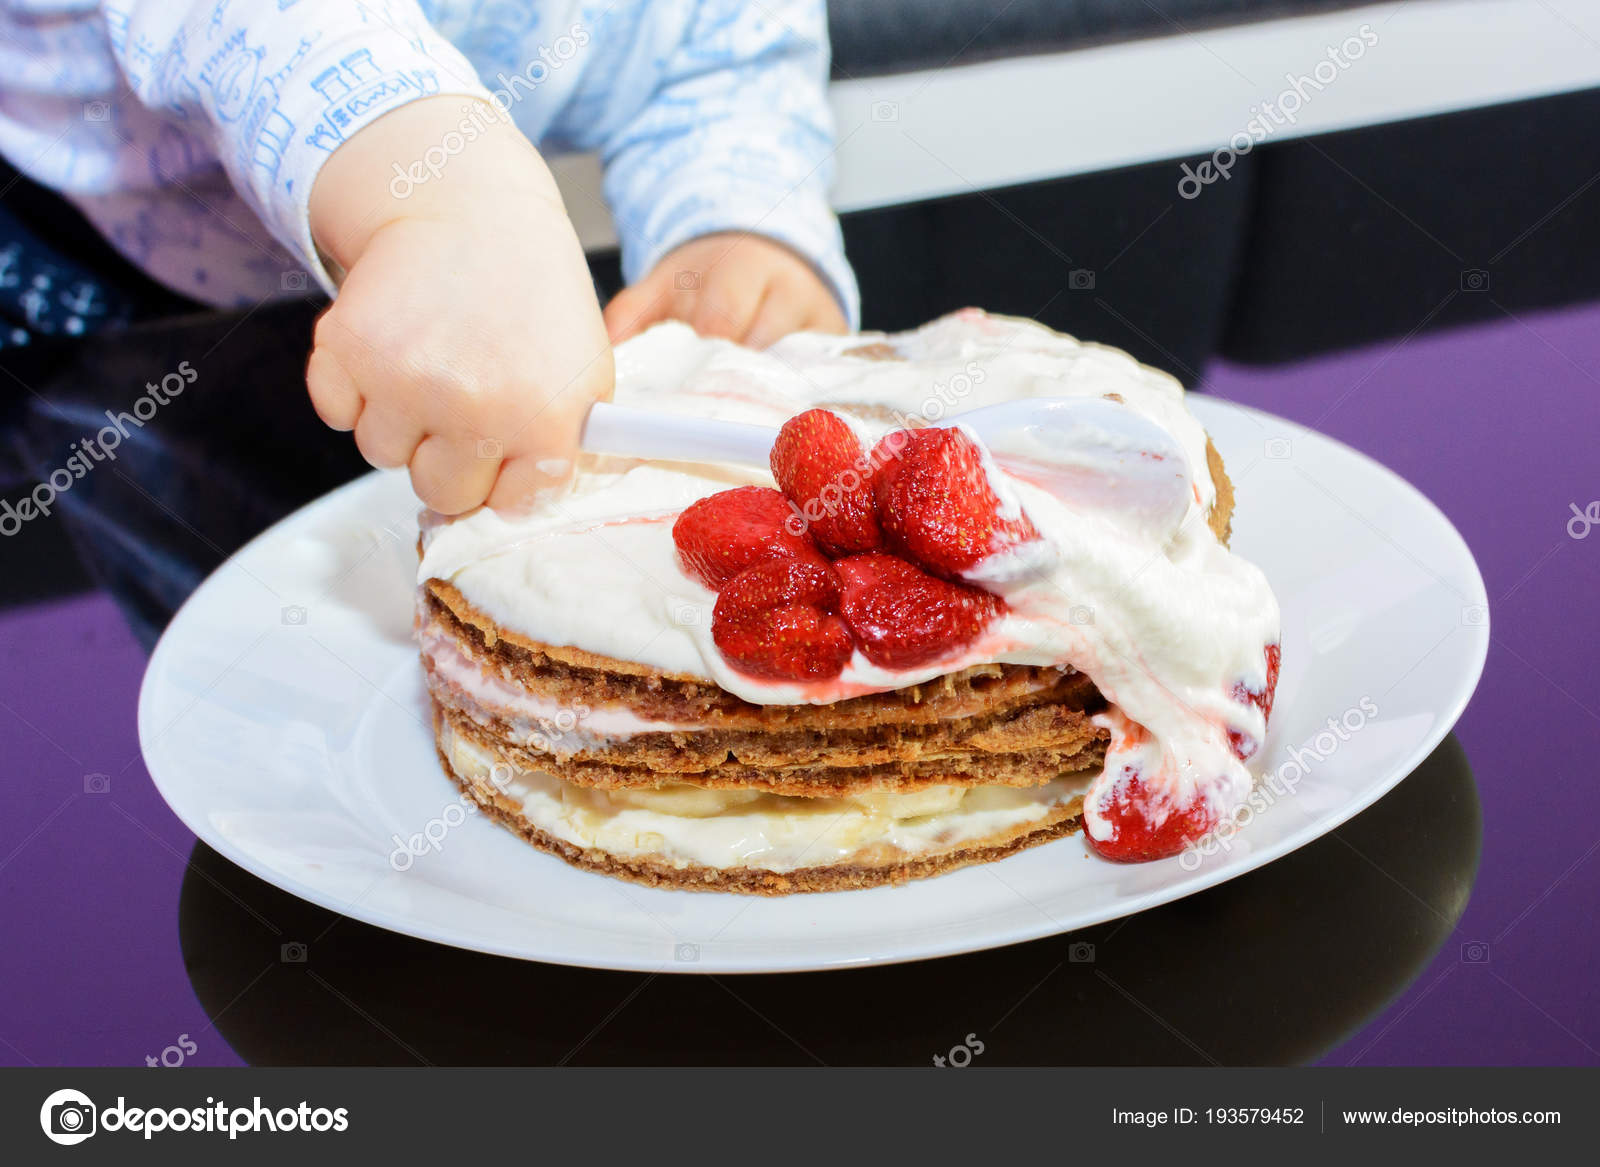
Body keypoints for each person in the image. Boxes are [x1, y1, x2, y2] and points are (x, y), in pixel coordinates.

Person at [0, 0, 856, 516]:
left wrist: (735, 220)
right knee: (220, 622)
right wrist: (430, 174)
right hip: (126, 255)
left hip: (461, 264)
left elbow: (726, 48)